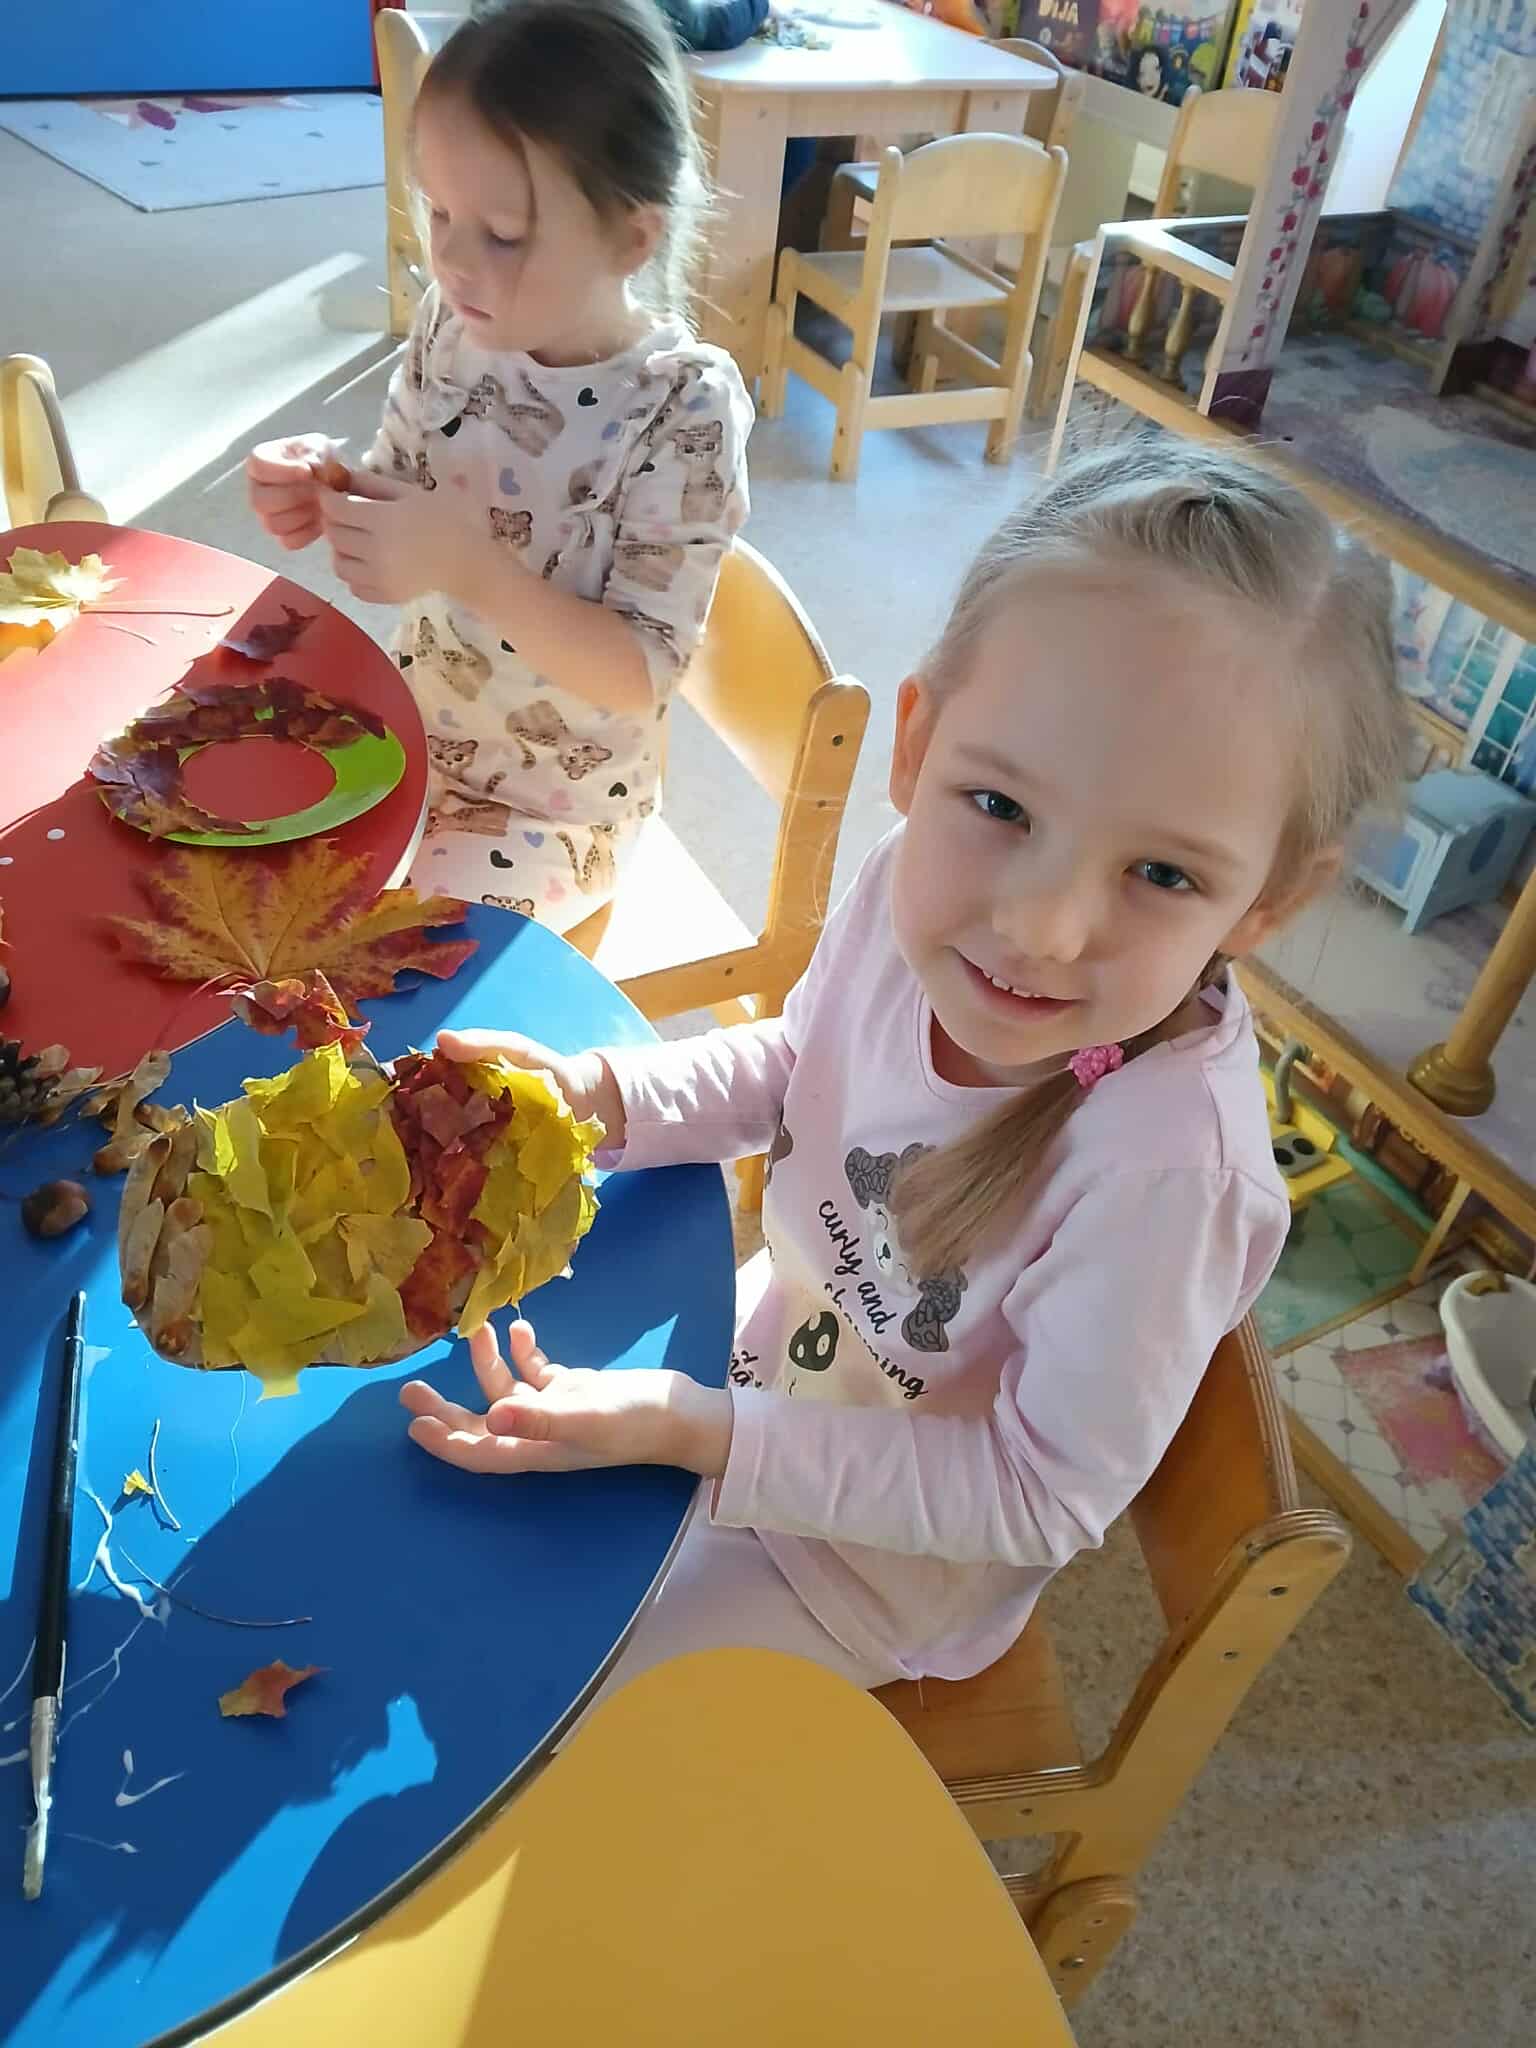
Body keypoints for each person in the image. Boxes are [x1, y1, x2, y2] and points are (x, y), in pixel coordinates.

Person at [400, 443, 1411, 1693]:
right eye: (1001, 806)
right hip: (755, 1369)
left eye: (1162, 873)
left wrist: (698, 1431)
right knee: (437, 1553)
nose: (1042, 927)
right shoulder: (903, 889)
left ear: (1268, 901)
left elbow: (1034, 1492)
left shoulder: (1169, 1177)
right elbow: (803, 1061)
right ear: (918, 743)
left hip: (863, 1571)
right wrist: (600, 1099)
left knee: (528, 1699)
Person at [246, 0, 753, 933]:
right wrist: (329, 485)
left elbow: (642, 667)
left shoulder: (683, 407)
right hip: (407, 730)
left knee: (372, 958)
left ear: (632, 237)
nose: (450, 258)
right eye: (438, 210)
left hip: (555, 811)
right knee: (234, 845)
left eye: (505, 234)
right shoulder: (454, 325)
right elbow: (400, 484)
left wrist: (472, 569)